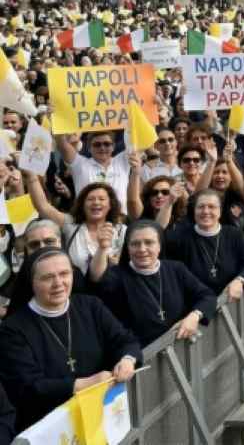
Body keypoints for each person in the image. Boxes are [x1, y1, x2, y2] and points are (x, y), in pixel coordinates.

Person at [0, 248, 141, 431]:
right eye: (47, 277)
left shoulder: (91, 306)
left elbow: (125, 340)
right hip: (50, 427)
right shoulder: (12, 330)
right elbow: (27, 387)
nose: (58, 283)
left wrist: (127, 360)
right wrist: (84, 384)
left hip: (101, 416)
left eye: (64, 274)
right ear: (31, 282)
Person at [88, 219, 216, 346]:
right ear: (128, 248)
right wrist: (102, 248)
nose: (142, 249)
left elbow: (207, 295)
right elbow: (96, 278)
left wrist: (194, 316)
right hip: (144, 353)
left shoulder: (176, 269)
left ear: (159, 246)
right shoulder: (117, 276)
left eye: (149, 242)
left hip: (180, 346)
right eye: (135, 244)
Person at [163, 189, 244, 302]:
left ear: (220, 211)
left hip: (232, 303)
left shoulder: (234, 234)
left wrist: (240, 280)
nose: (206, 211)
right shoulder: (180, 237)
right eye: (201, 207)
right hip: (195, 306)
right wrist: (169, 202)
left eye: (211, 207)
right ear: (194, 210)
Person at [25, 172, 126, 277]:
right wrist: (31, 177)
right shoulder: (71, 225)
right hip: (76, 285)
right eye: (90, 199)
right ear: (82, 205)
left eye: (102, 199)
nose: (96, 202)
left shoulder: (122, 231)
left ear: (110, 205)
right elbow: (43, 207)